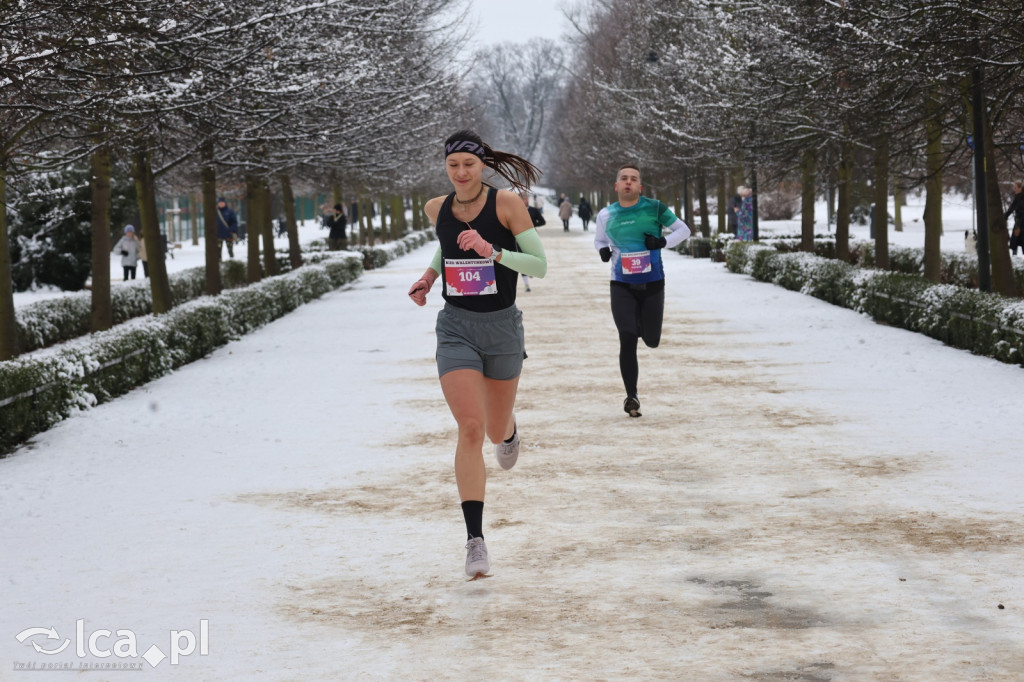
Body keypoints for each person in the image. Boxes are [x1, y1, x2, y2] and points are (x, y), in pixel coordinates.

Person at [407, 129, 547, 579]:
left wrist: (494, 252)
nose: (461, 173)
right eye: (453, 166)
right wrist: (429, 278)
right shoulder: (436, 208)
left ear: (482, 164)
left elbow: (539, 266)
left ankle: (508, 432)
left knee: (493, 431)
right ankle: (475, 541)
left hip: (502, 328)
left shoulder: (507, 204)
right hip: (456, 328)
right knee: (470, 426)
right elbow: (445, 246)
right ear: (445, 167)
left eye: (468, 164)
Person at [593, 163, 691, 417]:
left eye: (633, 179)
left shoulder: (655, 208)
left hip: (652, 283)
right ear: (616, 186)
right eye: (623, 178)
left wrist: (662, 242)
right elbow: (600, 240)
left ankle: (640, 323)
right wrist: (602, 250)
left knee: (651, 340)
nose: (628, 182)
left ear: (640, 186)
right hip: (621, 283)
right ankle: (631, 397)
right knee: (627, 337)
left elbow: (684, 230)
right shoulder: (606, 215)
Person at [1004, 180, 1024, 255]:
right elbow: (1011, 208)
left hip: (1021, 221)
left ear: (1020, 188)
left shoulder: (1020, 197)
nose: (1014, 189)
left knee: (1019, 239)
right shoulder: (1017, 197)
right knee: (1015, 239)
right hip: (1018, 222)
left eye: (1015, 187)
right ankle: (1014, 257)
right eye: (1014, 187)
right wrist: (1005, 216)